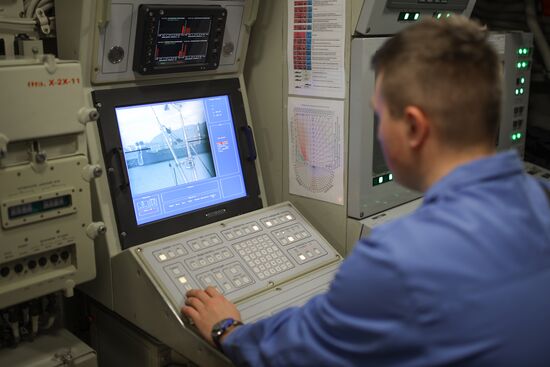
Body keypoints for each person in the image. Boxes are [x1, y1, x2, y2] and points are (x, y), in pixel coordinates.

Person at [182, 16, 550, 366]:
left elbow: (296, 353)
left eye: (379, 115)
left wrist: (227, 329)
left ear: (413, 127)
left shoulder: (397, 259)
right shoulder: (541, 198)